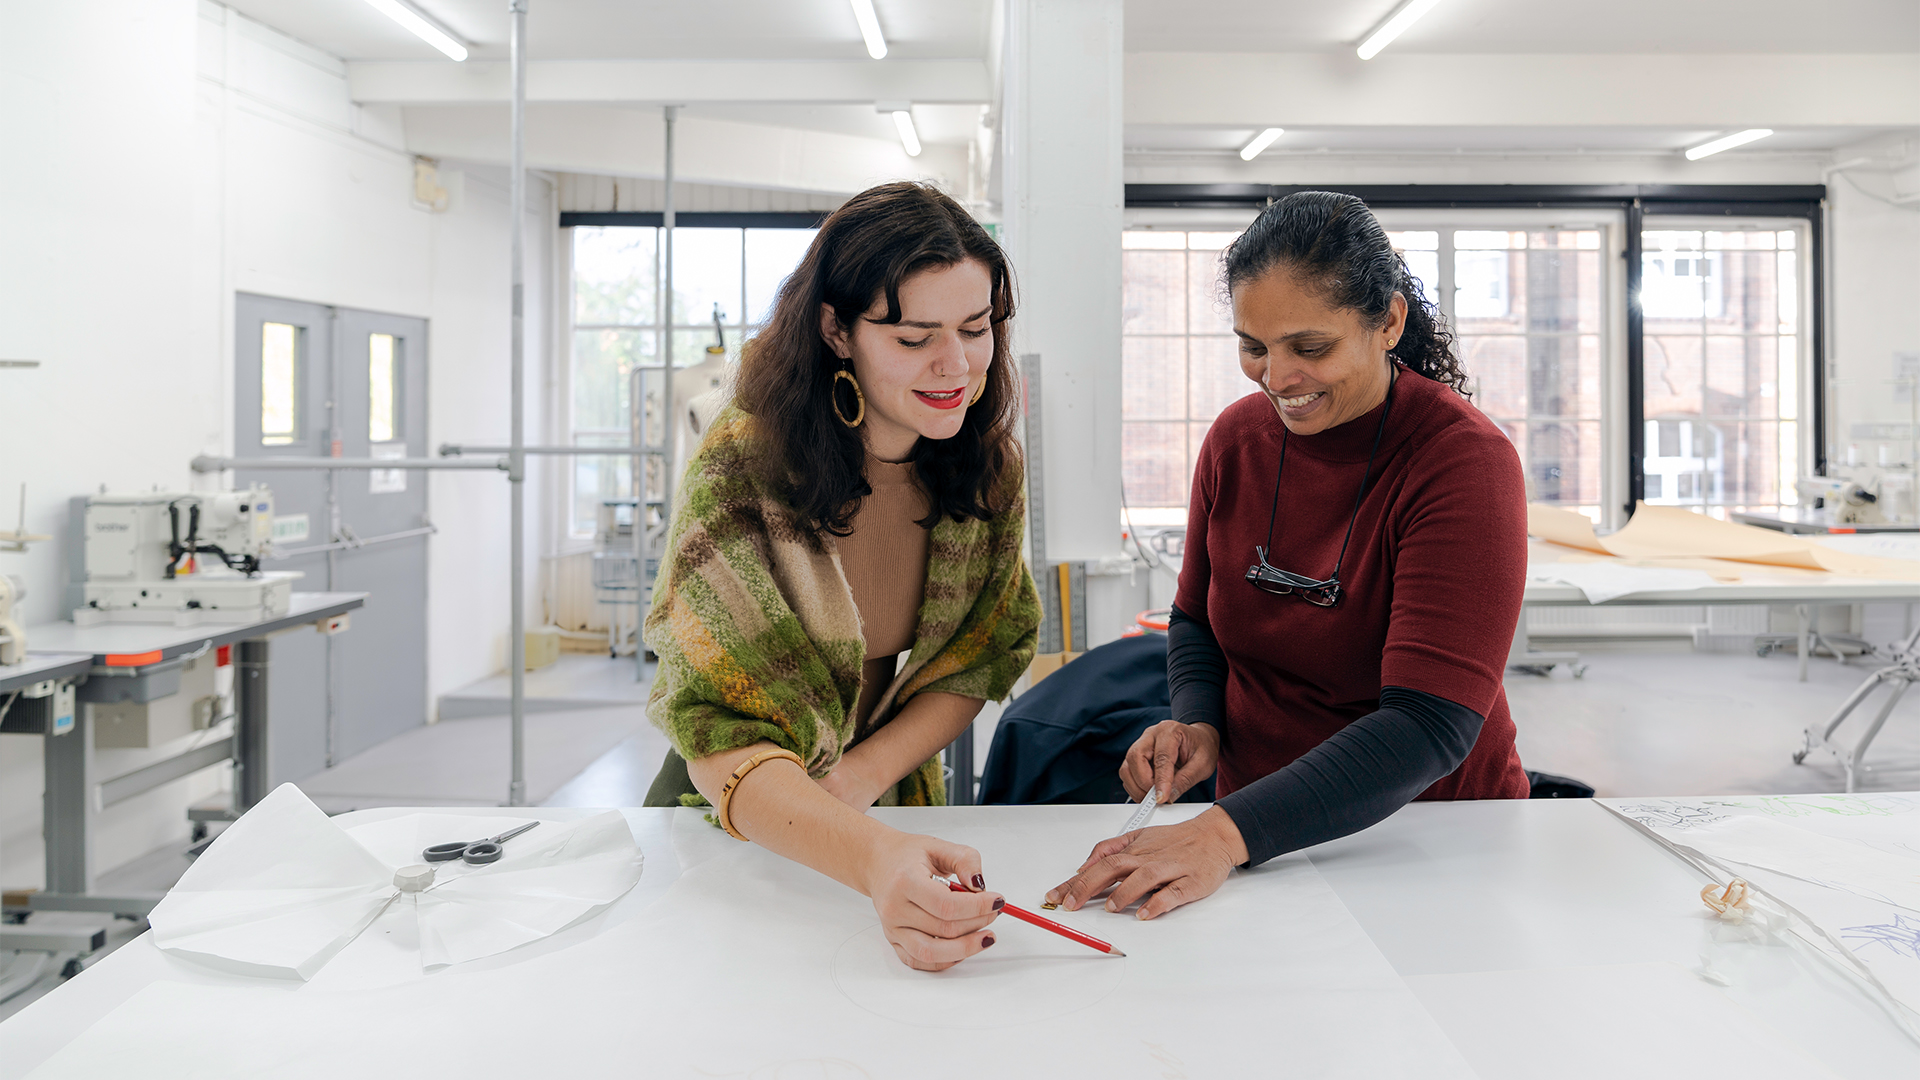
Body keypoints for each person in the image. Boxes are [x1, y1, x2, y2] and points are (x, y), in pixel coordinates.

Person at [1047, 191, 1531, 919]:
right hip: (1258, 838)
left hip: (1428, 840)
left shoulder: (1462, 463)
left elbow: (1428, 724)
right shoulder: (1235, 441)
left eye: (1310, 348)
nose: (1276, 378)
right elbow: (1195, 623)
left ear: (1388, 322)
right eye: (1253, 347)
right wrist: (1199, 723)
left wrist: (1221, 833)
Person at [643, 181, 1041, 971]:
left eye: (976, 327)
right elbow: (717, 736)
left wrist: (860, 780)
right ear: (836, 329)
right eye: (914, 336)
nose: (956, 365)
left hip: (879, 803)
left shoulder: (985, 470)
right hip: (737, 813)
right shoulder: (746, 469)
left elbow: (978, 658)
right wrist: (868, 853)